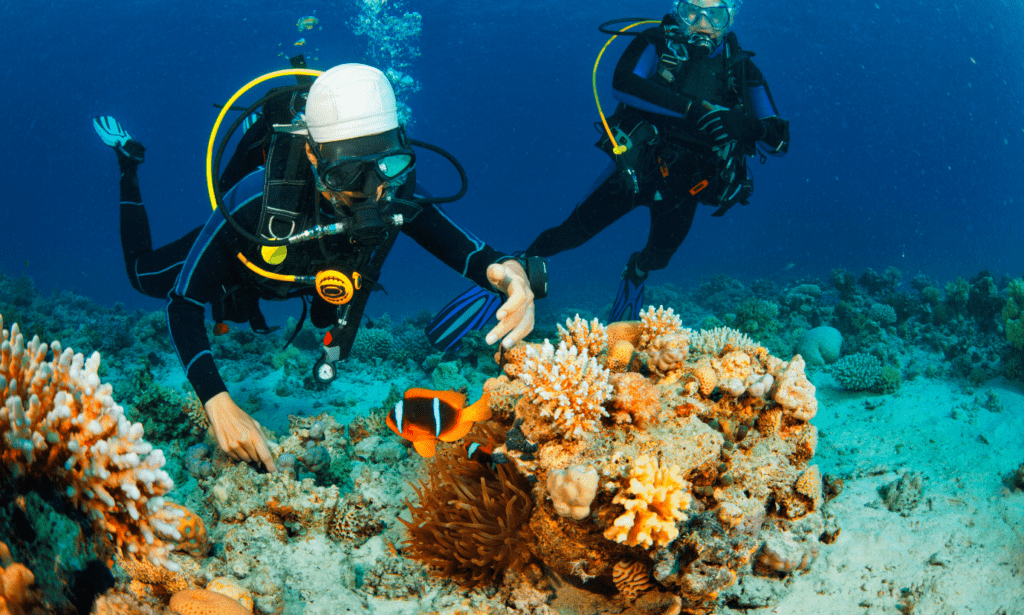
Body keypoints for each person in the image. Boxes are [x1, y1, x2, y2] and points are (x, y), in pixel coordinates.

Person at [94, 64, 546, 472]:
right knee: (143, 277)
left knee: (331, 304)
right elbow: (183, 303)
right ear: (313, 156)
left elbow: (474, 254)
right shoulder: (253, 201)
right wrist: (217, 401)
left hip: (316, 278)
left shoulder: (396, 192)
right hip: (245, 265)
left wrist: (511, 274)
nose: (372, 192)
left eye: (386, 165)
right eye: (348, 174)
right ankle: (127, 165)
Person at [525, 0, 789, 322]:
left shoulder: (743, 71)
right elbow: (623, 83)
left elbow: (780, 142)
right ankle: (517, 265)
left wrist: (749, 127)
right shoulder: (656, 42)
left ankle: (636, 272)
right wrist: (693, 109)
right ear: (678, 10)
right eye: (692, 11)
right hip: (636, 170)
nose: (702, 23)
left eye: (715, 14)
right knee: (570, 234)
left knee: (659, 258)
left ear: (730, 17)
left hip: (688, 188)